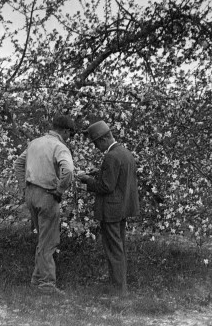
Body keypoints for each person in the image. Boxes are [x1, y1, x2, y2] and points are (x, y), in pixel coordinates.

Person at [14, 115, 76, 295]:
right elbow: (69, 169)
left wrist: (23, 187)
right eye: (69, 134)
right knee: (49, 241)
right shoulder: (59, 147)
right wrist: (60, 190)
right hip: (47, 195)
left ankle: (36, 279)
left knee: (42, 238)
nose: (69, 137)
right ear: (65, 131)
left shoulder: (35, 143)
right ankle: (47, 284)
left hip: (31, 194)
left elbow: (18, 163)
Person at [76, 120, 139, 297]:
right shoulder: (124, 152)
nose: (96, 147)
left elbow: (106, 187)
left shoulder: (111, 156)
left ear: (103, 139)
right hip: (122, 208)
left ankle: (118, 290)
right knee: (120, 248)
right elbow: (118, 179)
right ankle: (119, 286)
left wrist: (86, 179)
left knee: (113, 250)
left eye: (96, 143)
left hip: (111, 210)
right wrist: (98, 172)